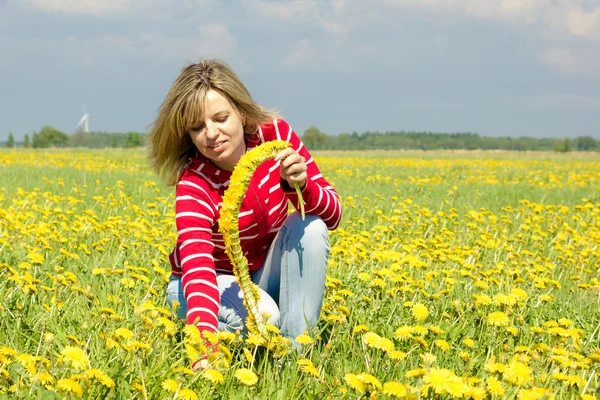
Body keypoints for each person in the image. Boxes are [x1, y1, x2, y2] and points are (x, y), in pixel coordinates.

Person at [147, 59, 342, 366]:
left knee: (312, 227)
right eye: (197, 127)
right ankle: (240, 337)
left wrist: (302, 185)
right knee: (264, 316)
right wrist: (203, 350)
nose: (211, 134)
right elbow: (198, 269)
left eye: (220, 118)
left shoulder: (275, 135)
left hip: (262, 275)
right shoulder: (194, 182)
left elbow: (333, 216)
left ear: (240, 110)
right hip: (209, 281)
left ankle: (292, 363)